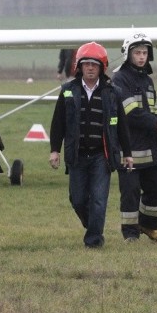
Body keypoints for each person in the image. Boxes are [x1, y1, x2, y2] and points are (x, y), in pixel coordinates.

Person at [49, 42, 133, 248]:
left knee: (98, 200)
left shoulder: (113, 92)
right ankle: (93, 225)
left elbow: (122, 124)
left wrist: (127, 153)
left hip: (101, 157)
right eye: (86, 64)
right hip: (77, 155)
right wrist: (54, 150)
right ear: (79, 66)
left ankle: (94, 240)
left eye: (94, 65)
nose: (90, 68)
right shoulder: (68, 91)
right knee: (77, 199)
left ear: (102, 67)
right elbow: (57, 122)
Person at [111, 32, 157, 242]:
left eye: (145, 53)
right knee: (130, 192)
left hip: (150, 147)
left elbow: (152, 109)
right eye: (137, 52)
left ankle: (148, 226)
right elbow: (130, 112)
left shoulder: (147, 80)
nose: (141, 57)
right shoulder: (119, 79)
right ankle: (130, 234)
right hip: (129, 147)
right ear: (127, 54)